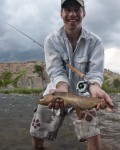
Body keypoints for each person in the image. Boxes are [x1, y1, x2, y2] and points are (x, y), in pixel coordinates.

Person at [30, 0, 114, 149]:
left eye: (77, 9)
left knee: (93, 138)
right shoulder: (51, 40)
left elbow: (95, 73)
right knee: (37, 134)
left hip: (84, 96)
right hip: (57, 90)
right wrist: (62, 90)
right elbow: (56, 71)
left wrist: (95, 88)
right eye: (67, 9)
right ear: (61, 13)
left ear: (84, 13)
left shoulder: (96, 42)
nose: (72, 14)